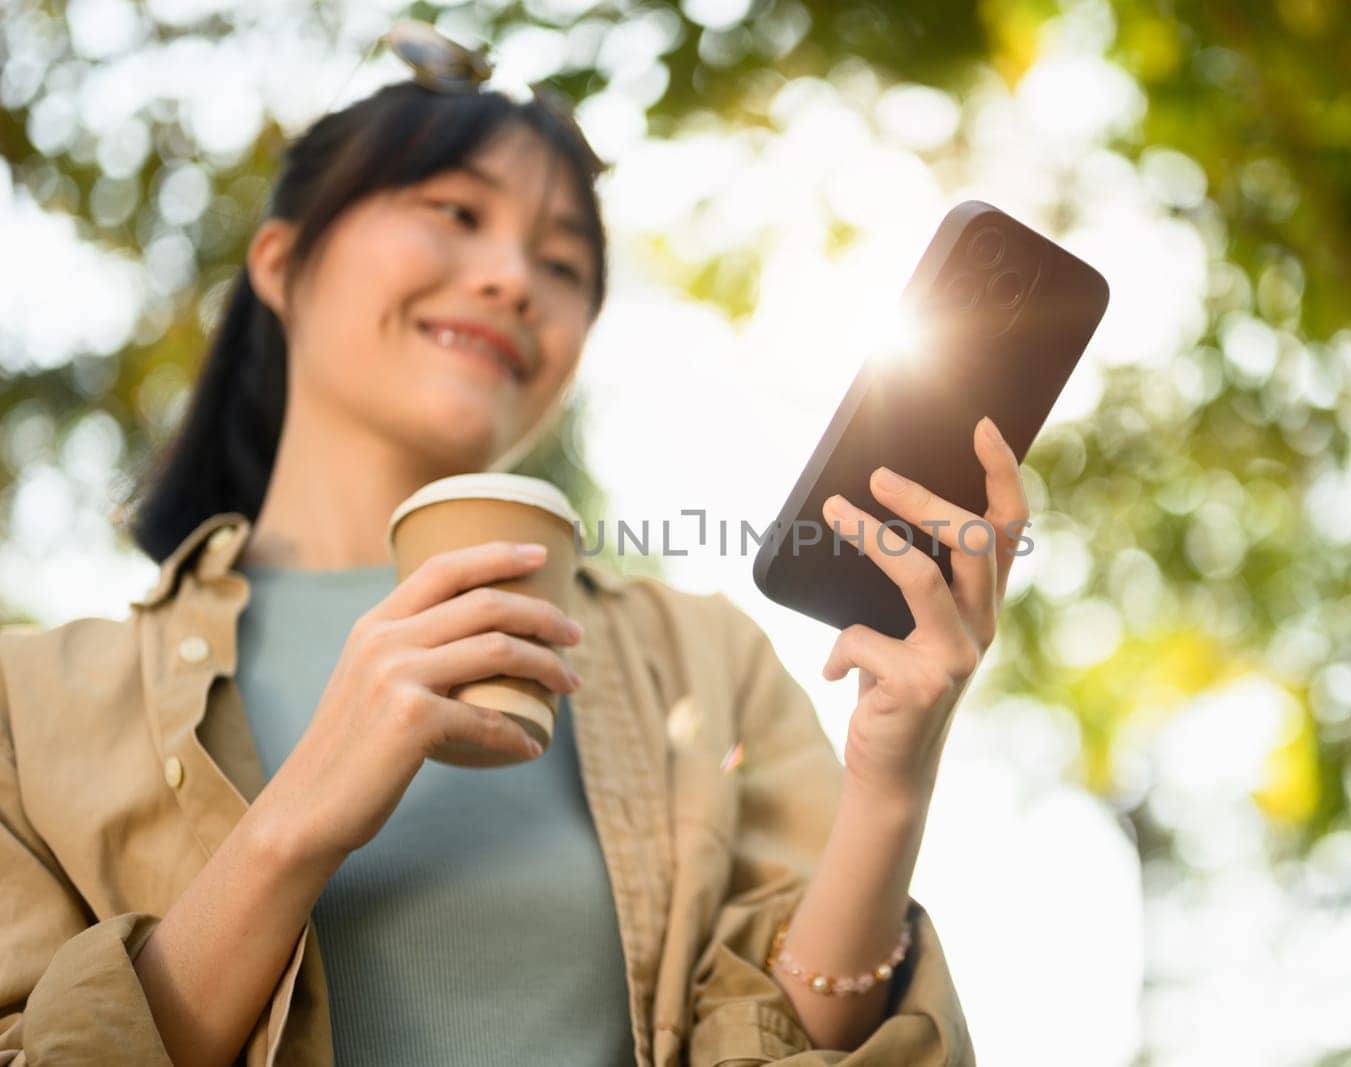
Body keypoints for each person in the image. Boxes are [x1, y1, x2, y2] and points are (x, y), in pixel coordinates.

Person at [0, 20, 1025, 1067]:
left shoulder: (706, 658)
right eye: (454, 211)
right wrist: (298, 817)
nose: (512, 278)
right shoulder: (30, 708)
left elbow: (804, 1036)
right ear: (281, 260)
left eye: (564, 263)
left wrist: (891, 787)